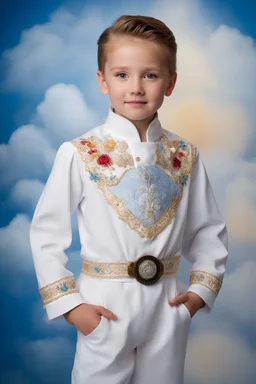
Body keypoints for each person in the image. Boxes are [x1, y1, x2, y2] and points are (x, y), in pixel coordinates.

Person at [30, 14, 228, 384]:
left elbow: (208, 229)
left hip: (167, 307)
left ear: (170, 83)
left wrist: (199, 291)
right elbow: (46, 232)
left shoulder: (184, 153)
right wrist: (72, 307)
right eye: (122, 75)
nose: (135, 87)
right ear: (102, 81)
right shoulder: (79, 152)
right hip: (105, 308)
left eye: (150, 75)